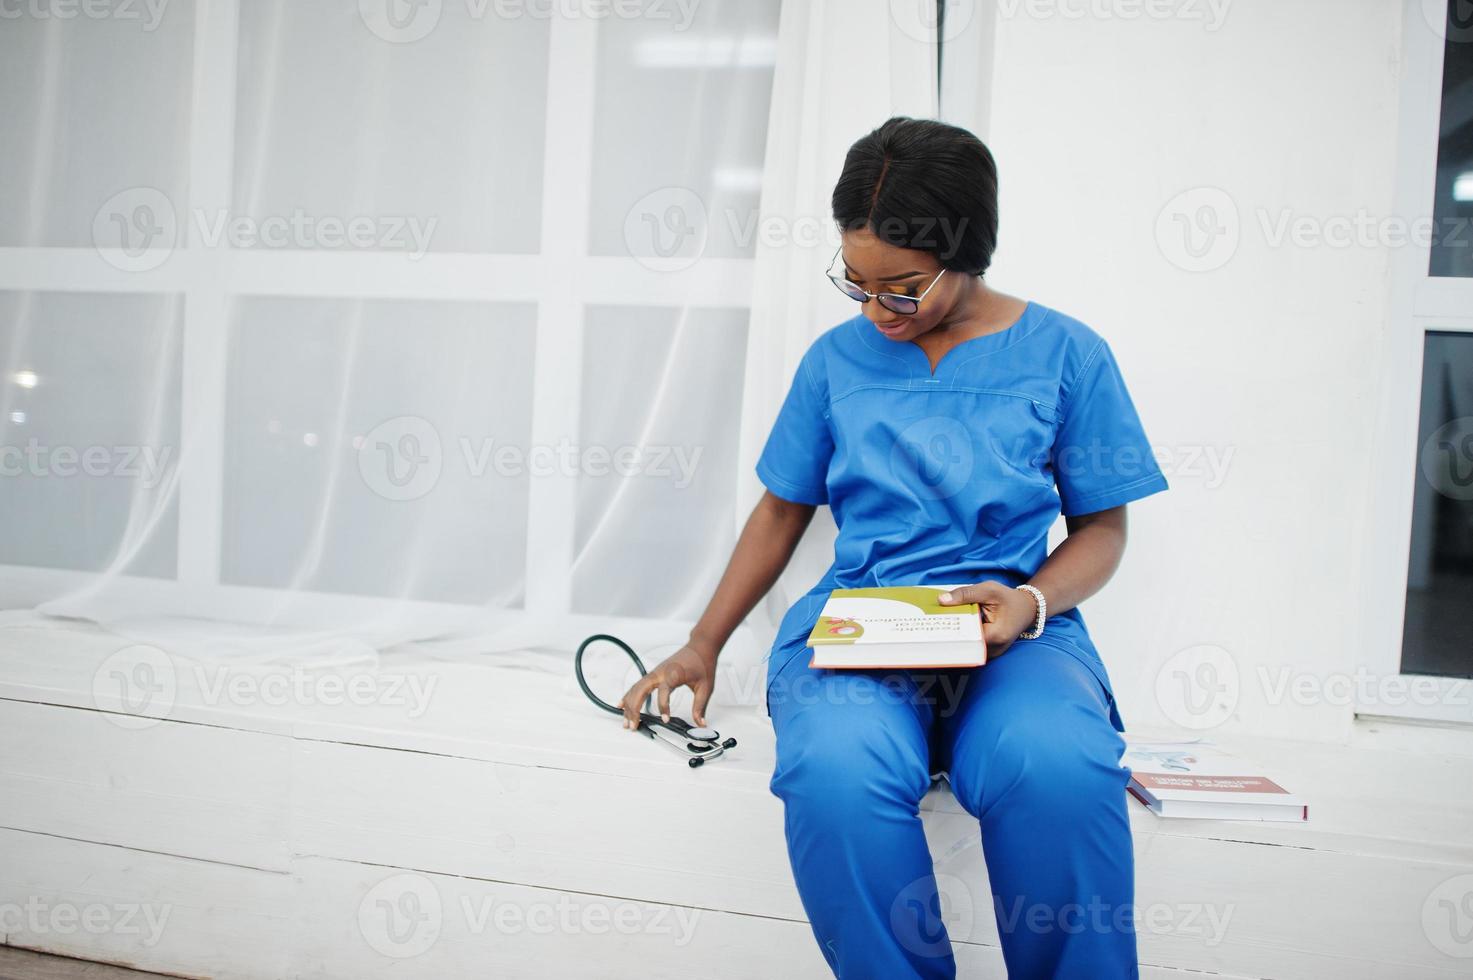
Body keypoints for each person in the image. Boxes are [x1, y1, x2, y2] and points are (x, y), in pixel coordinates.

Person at [619, 116, 1168, 979]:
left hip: (1018, 630)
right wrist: (703, 642)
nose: (877, 311)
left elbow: (1102, 529)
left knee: (1059, 771)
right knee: (834, 775)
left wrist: (1028, 604)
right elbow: (779, 512)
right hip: (860, 627)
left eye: (903, 288)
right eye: (857, 284)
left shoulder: (1068, 356)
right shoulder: (834, 362)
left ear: (968, 253)